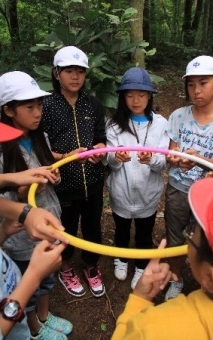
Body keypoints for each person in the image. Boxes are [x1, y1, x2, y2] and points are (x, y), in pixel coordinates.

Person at [0, 72, 73, 339]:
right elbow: (8, 198)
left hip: (49, 222)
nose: (37, 112)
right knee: (27, 287)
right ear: (8, 110)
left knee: (47, 280)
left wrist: (54, 175)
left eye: (39, 105)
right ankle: (33, 329)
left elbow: (53, 172)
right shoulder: (2, 149)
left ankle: (45, 316)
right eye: (29, 107)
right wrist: (23, 192)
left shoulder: (40, 136)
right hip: (20, 237)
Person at [112, 177, 213, 339]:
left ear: (209, 277)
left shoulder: (154, 329)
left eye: (191, 232)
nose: (189, 234)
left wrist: (139, 300)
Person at [42, 45, 106, 298]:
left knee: (93, 226)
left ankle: (91, 265)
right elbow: (40, 149)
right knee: (64, 228)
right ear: (57, 73)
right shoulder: (45, 105)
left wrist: (100, 149)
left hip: (93, 182)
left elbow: (101, 138)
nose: (75, 76)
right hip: (61, 185)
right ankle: (65, 265)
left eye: (80, 71)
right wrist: (65, 158)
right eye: (69, 70)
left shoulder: (92, 105)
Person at [164, 55, 213, 301]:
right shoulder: (178, 116)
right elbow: (170, 153)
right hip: (178, 188)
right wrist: (178, 159)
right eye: (191, 84)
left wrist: (200, 159)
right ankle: (176, 278)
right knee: (175, 233)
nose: (196, 91)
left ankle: (207, 284)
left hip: (209, 194)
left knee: (209, 239)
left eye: (203, 83)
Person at [106, 67, 169, 289]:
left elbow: (163, 163)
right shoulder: (113, 124)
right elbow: (110, 164)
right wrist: (117, 157)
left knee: (144, 232)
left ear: (149, 95)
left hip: (147, 194)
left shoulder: (161, 124)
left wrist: (151, 159)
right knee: (121, 229)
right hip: (121, 192)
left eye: (141, 94)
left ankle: (141, 265)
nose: (136, 100)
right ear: (122, 96)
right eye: (130, 94)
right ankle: (121, 258)